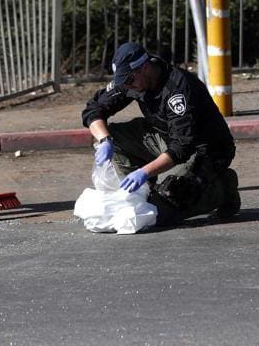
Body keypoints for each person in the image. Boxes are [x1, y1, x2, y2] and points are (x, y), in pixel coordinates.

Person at [82, 41, 240, 225]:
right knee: (116, 139)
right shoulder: (131, 80)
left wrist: (143, 172)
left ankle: (224, 188)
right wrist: (105, 140)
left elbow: (182, 147)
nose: (127, 86)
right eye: (123, 81)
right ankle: (141, 194)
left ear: (145, 68)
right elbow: (93, 110)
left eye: (130, 80)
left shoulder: (177, 89)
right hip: (165, 136)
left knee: (170, 203)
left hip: (205, 150)